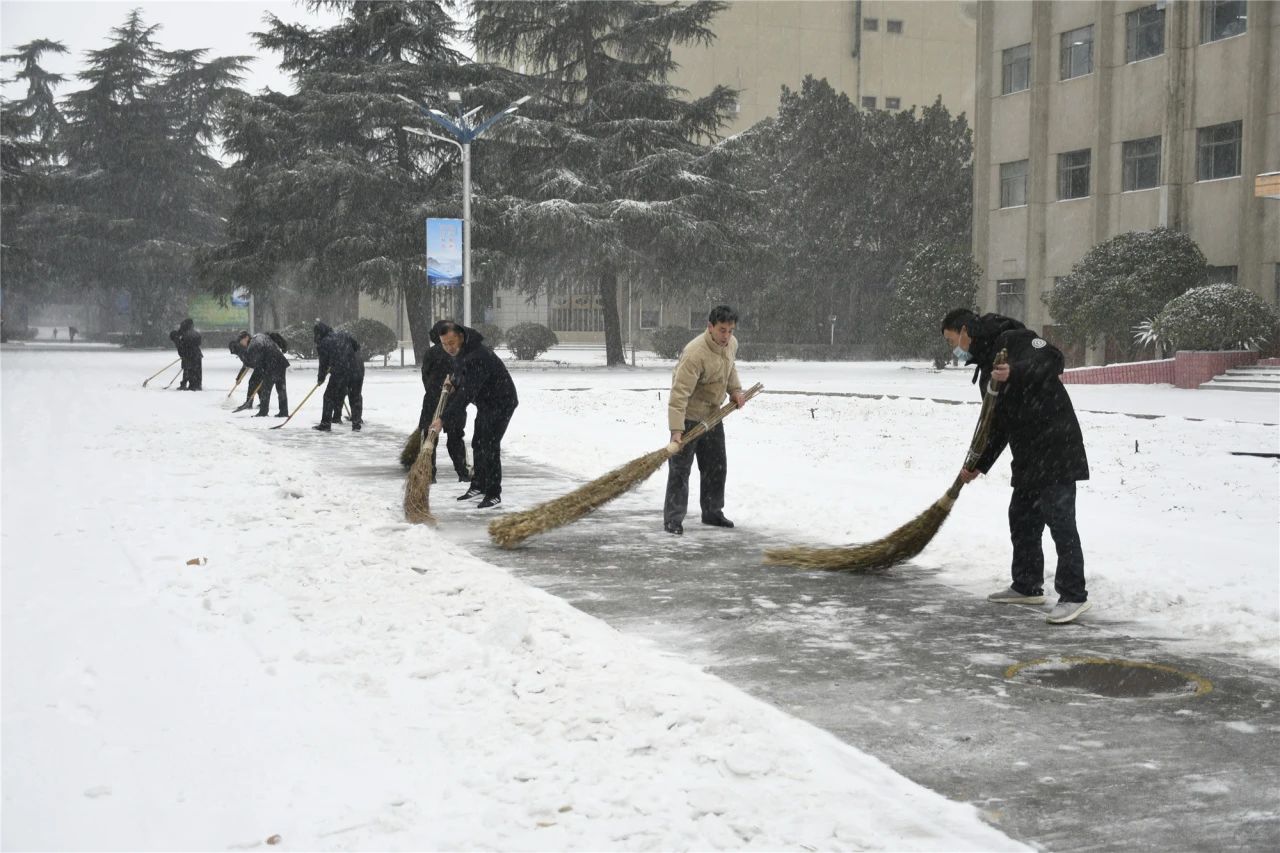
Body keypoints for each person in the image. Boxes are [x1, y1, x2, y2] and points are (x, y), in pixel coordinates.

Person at [941, 308, 1092, 625]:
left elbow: (1053, 360)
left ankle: (1073, 595)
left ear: (965, 330)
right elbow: (997, 426)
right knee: (1022, 519)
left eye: (952, 340)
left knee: (1060, 521)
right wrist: (978, 465)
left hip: (1055, 446)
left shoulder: (1014, 340)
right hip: (1028, 454)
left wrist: (1015, 371)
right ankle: (1027, 585)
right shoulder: (986, 370)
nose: (954, 348)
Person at [663, 305, 747, 535]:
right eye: (722, 330)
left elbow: (730, 369)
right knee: (681, 470)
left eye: (730, 330)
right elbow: (679, 393)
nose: (726, 336)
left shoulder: (731, 344)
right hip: (689, 417)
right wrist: (676, 430)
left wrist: (736, 391)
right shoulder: (695, 353)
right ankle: (673, 518)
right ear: (709, 327)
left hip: (713, 415)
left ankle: (712, 512)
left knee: (716, 467)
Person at [433, 323, 517, 509]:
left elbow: (466, 394)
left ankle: (494, 494)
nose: (449, 348)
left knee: (489, 444)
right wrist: (453, 380)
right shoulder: (464, 350)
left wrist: (443, 419)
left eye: (452, 342)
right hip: (486, 402)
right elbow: (461, 372)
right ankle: (478, 484)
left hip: (502, 401)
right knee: (478, 442)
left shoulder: (477, 356)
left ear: (461, 337)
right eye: (444, 344)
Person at [413, 320, 470, 481]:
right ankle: (462, 473)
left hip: (433, 399)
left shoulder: (431, 353)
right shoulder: (459, 351)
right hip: (455, 401)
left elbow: (425, 376)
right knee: (456, 437)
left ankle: (429, 473)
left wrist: (434, 392)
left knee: (430, 436)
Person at [313, 322, 363, 431]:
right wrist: (346, 356)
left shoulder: (323, 343)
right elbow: (356, 346)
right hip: (356, 370)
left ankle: (326, 424)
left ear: (319, 334)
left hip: (340, 372)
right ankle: (356, 424)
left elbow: (323, 364)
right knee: (355, 397)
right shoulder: (344, 335)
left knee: (328, 397)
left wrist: (321, 378)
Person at [234, 330, 289, 417]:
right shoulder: (259, 336)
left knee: (265, 390)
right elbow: (274, 335)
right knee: (281, 389)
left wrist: (241, 354)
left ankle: (263, 412)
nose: (242, 344)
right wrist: (283, 346)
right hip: (280, 362)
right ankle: (284, 411)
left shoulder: (253, 344)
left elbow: (251, 363)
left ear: (246, 338)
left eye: (241, 342)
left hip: (271, 365)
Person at [168, 318, 203, 391]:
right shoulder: (191, 332)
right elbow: (198, 342)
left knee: (187, 369)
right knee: (196, 370)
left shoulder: (180, 337)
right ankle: (197, 385)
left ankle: (189, 385)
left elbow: (182, 350)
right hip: (197, 354)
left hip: (190, 354)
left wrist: (184, 356)